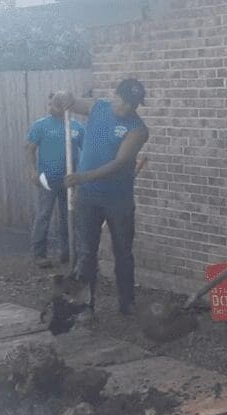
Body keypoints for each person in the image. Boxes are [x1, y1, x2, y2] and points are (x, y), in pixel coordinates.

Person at [52, 78, 149, 317]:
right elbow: (72, 102)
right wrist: (62, 95)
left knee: (123, 252)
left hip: (119, 200)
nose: (128, 108)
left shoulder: (138, 129)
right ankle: (84, 305)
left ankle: (127, 303)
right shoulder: (99, 108)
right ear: (115, 96)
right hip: (89, 198)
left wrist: (83, 177)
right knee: (86, 252)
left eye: (134, 104)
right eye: (125, 102)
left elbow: (119, 163)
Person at [27, 93, 84, 268]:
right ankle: (39, 254)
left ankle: (67, 253)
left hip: (68, 180)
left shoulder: (76, 127)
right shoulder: (41, 125)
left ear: (64, 107)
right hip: (47, 180)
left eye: (55, 105)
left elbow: (87, 151)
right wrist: (33, 172)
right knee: (44, 215)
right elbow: (29, 149)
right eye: (49, 104)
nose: (51, 108)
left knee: (68, 216)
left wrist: (81, 177)